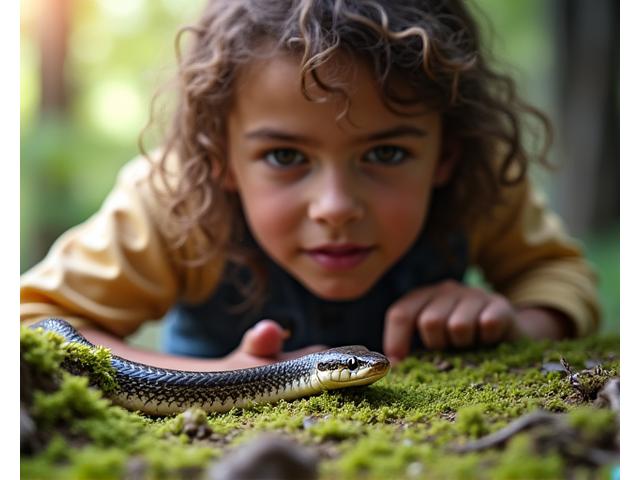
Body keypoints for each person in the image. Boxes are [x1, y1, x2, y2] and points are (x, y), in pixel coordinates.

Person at [21, 0, 600, 371]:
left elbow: (560, 277)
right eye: (284, 155)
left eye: (387, 152)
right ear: (219, 156)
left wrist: (511, 324)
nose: (336, 208)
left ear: (446, 153)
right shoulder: (174, 201)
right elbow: (34, 324)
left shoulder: (478, 182)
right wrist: (219, 376)